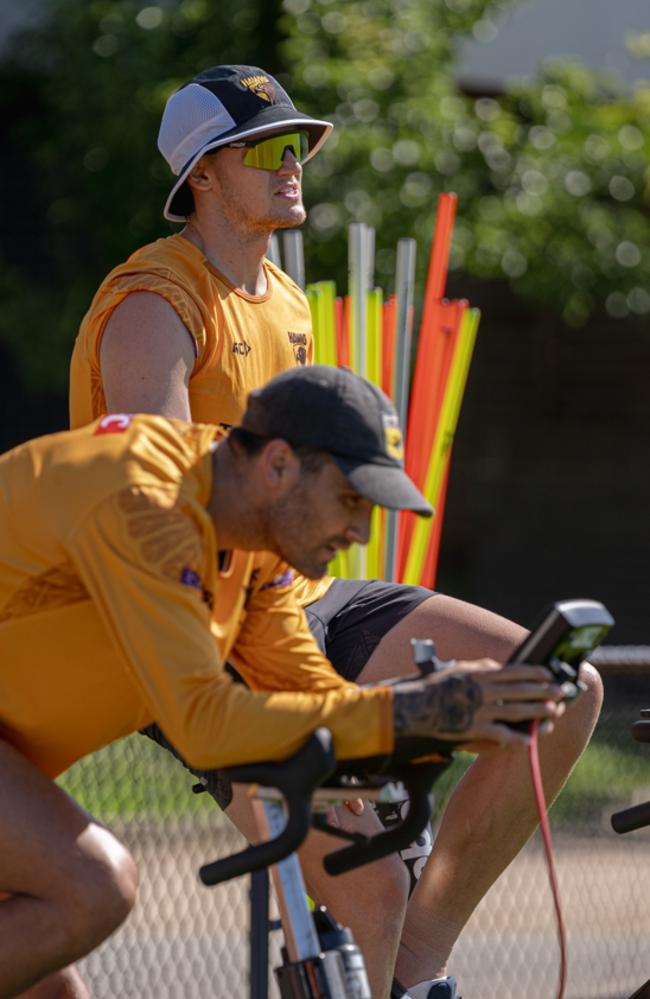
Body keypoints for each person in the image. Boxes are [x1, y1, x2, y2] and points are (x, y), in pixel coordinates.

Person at [68, 65, 603, 999]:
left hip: (290, 599)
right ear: (201, 174)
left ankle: (410, 971)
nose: (295, 162)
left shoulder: (283, 298)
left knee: (557, 686)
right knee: (362, 874)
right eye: (269, 148)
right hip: (182, 624)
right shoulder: (155, 304)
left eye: (300, 143)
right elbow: (153, 519)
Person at [0, 365, 567, 999]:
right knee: (92, 886)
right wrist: (406, 714)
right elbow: (206, 723)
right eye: (351, 499)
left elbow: (301, 683)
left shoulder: (252, 538)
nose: (363, 532)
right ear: (277, 465)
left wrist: (411, 732)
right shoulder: (146, 503)